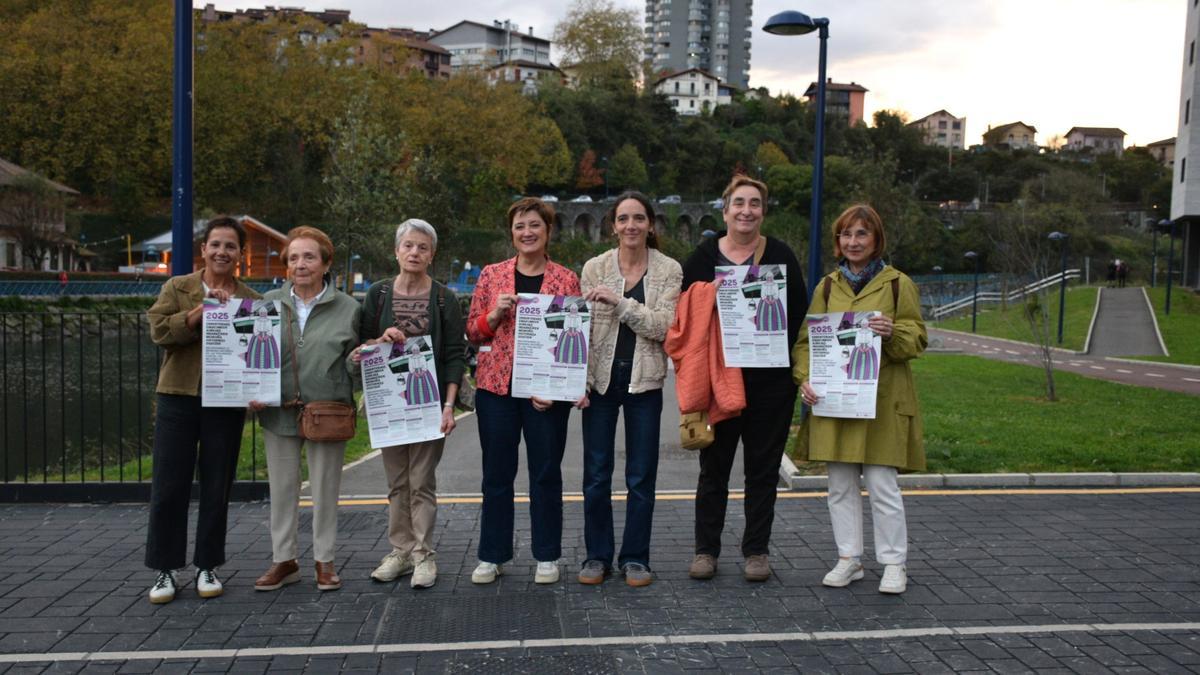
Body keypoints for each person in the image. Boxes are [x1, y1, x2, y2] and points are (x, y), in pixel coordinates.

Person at [792, 204, 927, 595]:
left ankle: (893, 563)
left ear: (876, 239)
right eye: (846, 235)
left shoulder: (899, 283)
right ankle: (849, 558)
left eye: (861, 234)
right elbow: (806, 343)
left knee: (883, 484)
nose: (853, 242)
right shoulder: (827, 287)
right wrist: (805, 378)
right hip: (836, 399)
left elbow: (917, 338)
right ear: (838, 241)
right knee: (840, 485)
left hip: (883, 400)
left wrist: (892, 333)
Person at [679, 175, 806, 582]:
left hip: (770, 383)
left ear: (763, 211)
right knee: (713, 468)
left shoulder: (781, 256)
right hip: (718, 380)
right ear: (725, 209)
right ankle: (705, 550)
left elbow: (799, 316)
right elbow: (681, 317)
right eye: (739, 203)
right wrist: (707, 296)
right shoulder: (701, 259)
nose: (746, 210)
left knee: (762, 470)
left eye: (754, 203)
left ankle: (756, 552)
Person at [466, 197, 586, 585]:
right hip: (496, 388)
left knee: (546, 473)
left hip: (545, 393)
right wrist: (493, 314)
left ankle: (547, 555)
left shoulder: (566, 279)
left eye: (535, 225)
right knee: (496, 474)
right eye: (520, 226)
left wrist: (559, 389)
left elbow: (575, 339)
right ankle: (492, 555)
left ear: (548, 231)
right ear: (512, 233)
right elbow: (472, 331)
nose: (527, 232)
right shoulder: (491, 275)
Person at [144, 216, 260, 604]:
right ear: (204, 250)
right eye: (215, 245)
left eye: (230, 246)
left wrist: (258, 388)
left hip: (225, 403)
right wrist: (200, 311)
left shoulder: (252, 300)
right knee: (168, 485)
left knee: (217, 486)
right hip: (178, 396)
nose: (222, 252)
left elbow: (258, 354)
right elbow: (160, 333)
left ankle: (207, 564)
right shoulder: (178, 287)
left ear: (240, 254)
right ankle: (165, 568)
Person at [355, 219, 466, 589]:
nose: (415, 252)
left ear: (432, 255)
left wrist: (449, 406)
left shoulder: (443, 298)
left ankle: (423, 555)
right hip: (389, 402)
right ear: (396, 251)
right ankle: (399, 552)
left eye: (422, 247)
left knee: (421, 481)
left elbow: (454, 355)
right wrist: (379, 338)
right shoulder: (379, 295)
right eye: (408, 246)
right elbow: (360, 344)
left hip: (428, 402)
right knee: (396, 482)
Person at [578, 191, 682, 587]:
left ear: (650, 224)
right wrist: (580, 381)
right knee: (596, 473)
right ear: (613, 225)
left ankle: (636, 558)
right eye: (624, 219)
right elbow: (582, 331)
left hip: (645, 380)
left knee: (641, 475)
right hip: (601, 381)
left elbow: (662, 327)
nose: (631, 226)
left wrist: (620, 303)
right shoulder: (595, 267)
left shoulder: (669, 270)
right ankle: (596, 556)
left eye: (639, 218)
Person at [250, 226, 361, 592]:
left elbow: (353, 366)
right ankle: (284, 560)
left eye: (309, 256)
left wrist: (358, 362)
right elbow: (251, 354)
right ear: (285, 266)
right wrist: (250, 388)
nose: (301, 264)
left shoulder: (349, 308)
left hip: (327, 411)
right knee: (282, 488)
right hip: (279, 410)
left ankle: (324, 561)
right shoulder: (266, 304)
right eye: (293, 257)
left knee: (326, 488)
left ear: (326, 263)